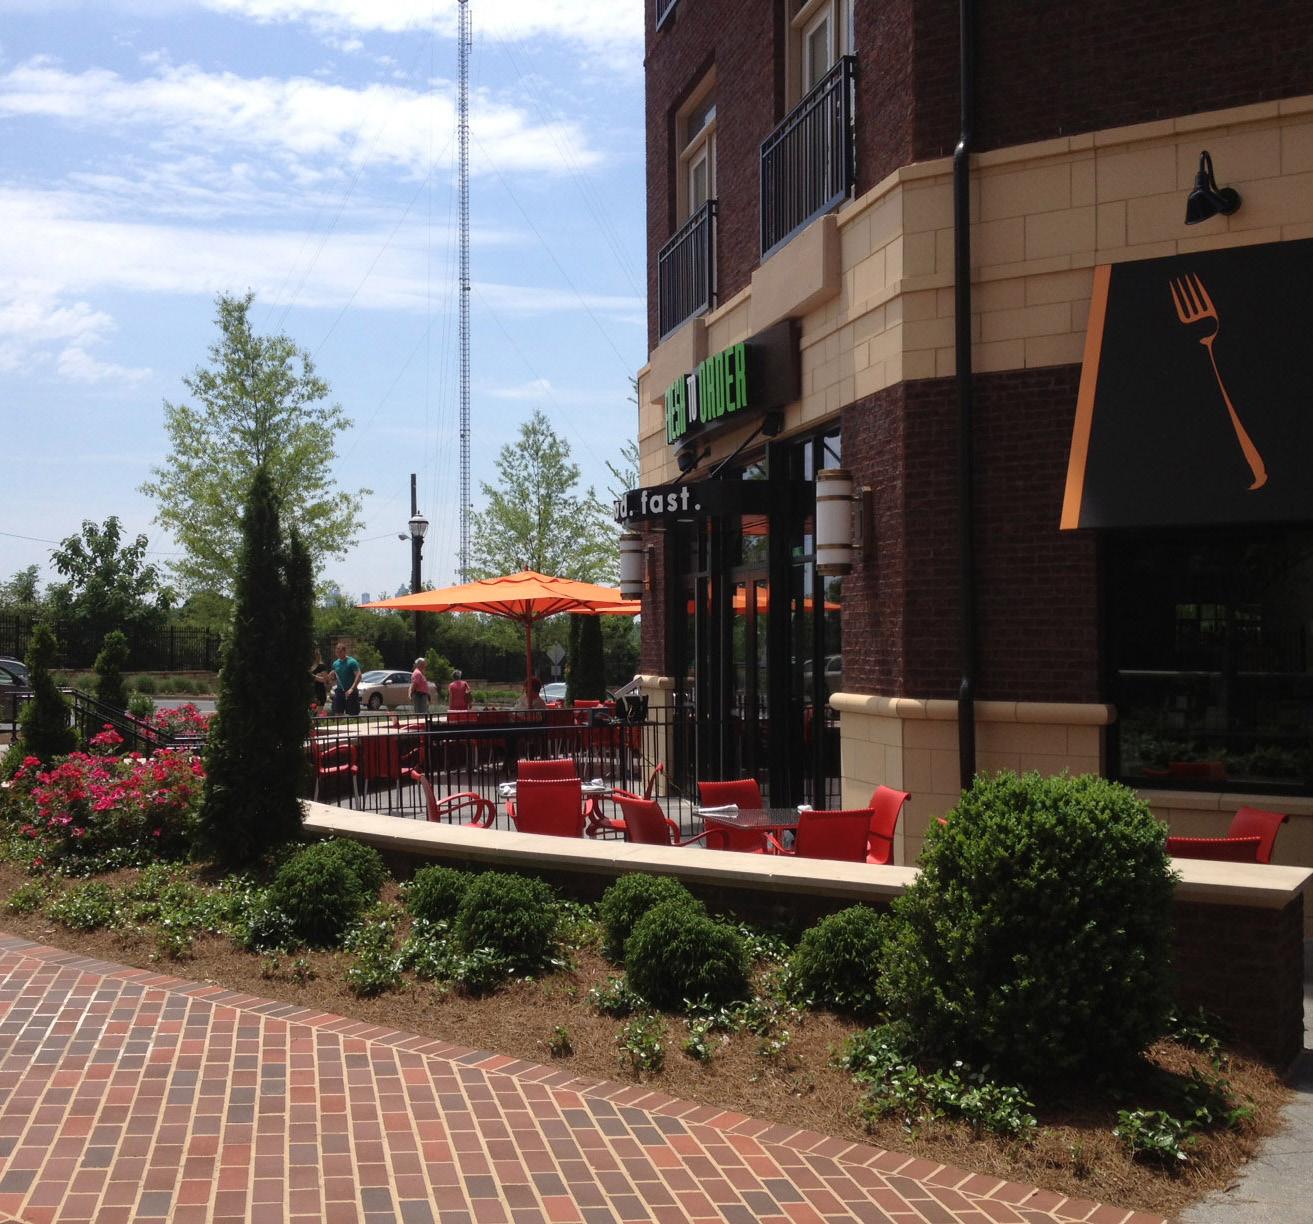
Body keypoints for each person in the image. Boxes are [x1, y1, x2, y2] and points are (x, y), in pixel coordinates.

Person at [330, 642, 361, 716]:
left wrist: (352, 689)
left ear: (344, 651)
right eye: (337, 652)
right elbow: (334, 678)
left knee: (353, 714)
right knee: (338, 713)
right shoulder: (335, 663)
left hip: (351, 691)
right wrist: (332, 676)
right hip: (339, 691)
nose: (338, 654)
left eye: (340, 652)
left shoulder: (352, 662)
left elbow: (359, 676)